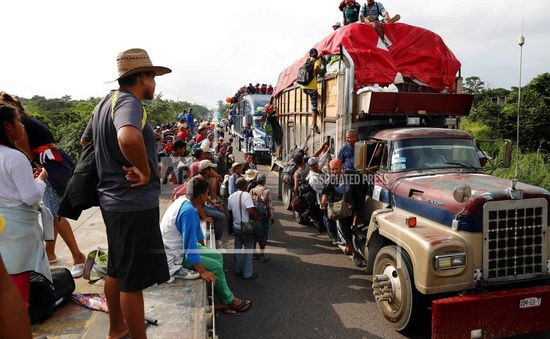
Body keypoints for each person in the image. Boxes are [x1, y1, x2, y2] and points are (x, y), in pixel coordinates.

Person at [86, 48, 171, 339]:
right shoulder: (129, 103)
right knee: (132, 281)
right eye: (153, 77)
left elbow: (87, 140)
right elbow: (128, 136)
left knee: (117, 269)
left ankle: (116, 327)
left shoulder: (104, 104)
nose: (155, 83)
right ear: (142, 77)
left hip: (112, 202)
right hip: (132, 203)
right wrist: (145, 170)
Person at [1, 92, 87, 277]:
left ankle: (78, 256)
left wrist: (33, 177)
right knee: (50, 209)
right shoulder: (25, 120)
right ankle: (50, 251)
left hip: (46, 166)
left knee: (55, 212)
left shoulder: (19, 125)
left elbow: (24, 153)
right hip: (53, 162)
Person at [161, 178, 252, 313]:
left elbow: (196, 231)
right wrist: (202, 271)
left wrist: (204, 246)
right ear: (202, 195)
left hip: (179, 248)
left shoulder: (185, 201)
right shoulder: (188, 211)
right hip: (175, 257)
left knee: (217, 256)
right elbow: (190, 246)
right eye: (207, 194)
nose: (207, 197)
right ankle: (230, 300)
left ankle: (219, 299)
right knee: (215, 266)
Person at [0, 104, 51, 310]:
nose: (22, 125)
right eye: (18, 121)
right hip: (18, 232)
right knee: (19, 287)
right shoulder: (15, 157)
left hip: (3, 227)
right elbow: (30, 197)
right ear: (8, 127)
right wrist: (41, 180)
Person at [321, 159, 365, 267]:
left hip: (352, 206)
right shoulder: (330, 180)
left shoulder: (350, 175)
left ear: (341, 167)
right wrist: (323, 203)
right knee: (345, 231)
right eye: (332, 169)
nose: (334, 171)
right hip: (340, 210)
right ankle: (354, 254)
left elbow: (362, 177)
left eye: (336, 169)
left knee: (353, 225)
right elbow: (326, 193)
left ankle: (350, 240)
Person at [228, 178, 259, 280]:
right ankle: (247, 273)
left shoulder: (231, 196)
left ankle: (237, 270)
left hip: (236, 226)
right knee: (249, 250)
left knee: (237, 249)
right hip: (246, 227)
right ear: (244, 185)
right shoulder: (246, 195)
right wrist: (257, 218)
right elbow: (250, 210)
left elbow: (230, 212)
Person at [250, 174, 273, 262]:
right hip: (264, 216)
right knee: (263, 235)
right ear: (264, 181)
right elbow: (270, 205)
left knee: (254, 234)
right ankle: (262, 255)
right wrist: (272, 217)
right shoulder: (267, 191)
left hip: (254, 215)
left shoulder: (252, 190)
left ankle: (253, 253)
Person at [300, 48, 322, 134]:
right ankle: (314, 125)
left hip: (303, 87)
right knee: (314, 106)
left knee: (317, 96)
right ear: (316, 55)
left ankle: (318, 97)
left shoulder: (307, 60)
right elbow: (316, 68)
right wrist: (316, 72)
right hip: (311, 87)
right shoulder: (317, 61)